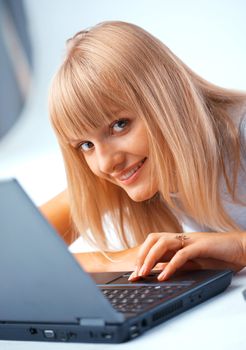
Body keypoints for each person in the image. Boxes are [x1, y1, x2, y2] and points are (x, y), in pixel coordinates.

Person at [41, 20, 246, 281]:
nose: (105, 164)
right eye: (86, 145)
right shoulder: (131, 169)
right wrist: (125, 258)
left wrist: (240, 246)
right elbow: (14, 250)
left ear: (168, 97)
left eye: (119, 125)